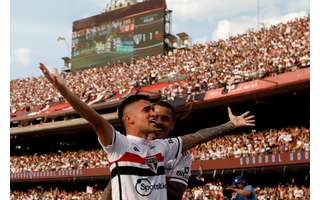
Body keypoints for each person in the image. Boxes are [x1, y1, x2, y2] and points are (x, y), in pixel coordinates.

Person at [40, 63, 255, 200]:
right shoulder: (119, 144)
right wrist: (64, 91)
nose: (153, 114)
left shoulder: (163, 147)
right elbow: (95, 120)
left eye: (157, 112)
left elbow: (196, 137)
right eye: (147, 110)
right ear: (129, 119)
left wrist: (230, 125)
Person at [102, 100, 192, 200]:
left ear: (172, 124)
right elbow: (111, 190)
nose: (158, 122)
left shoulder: (182, 154)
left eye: (165, 119)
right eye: (155, 117)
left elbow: (175, 195)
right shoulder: (127, 148)